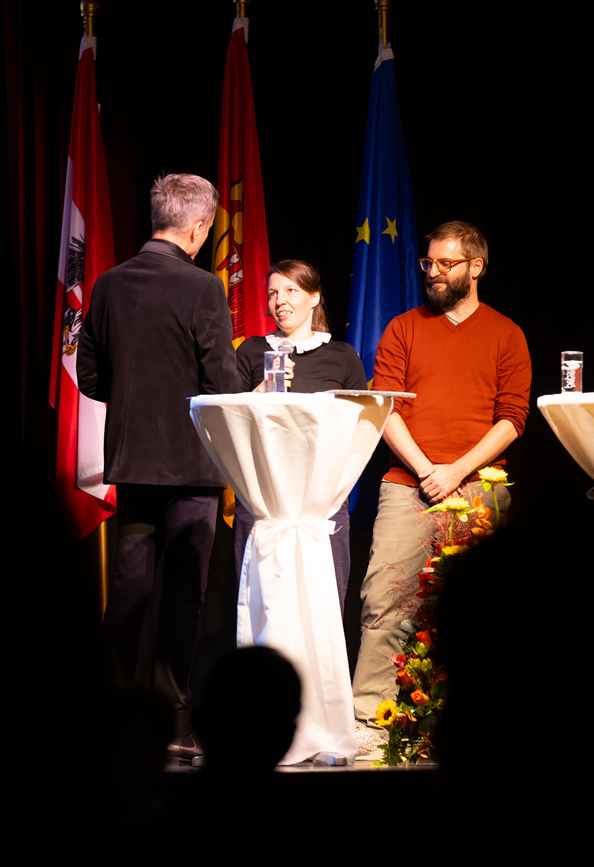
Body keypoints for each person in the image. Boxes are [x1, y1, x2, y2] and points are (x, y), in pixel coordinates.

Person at [352, 220, 532, 752]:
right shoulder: (403, 328)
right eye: (428, 263)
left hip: (479, 486)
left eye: (446, 263)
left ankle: (480, 726)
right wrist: (428, 468)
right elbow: (383, 406)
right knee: (383, 601)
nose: (433, 272)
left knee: (483, 609)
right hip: (407, 484)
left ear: (476, 267)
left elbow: (513, 418)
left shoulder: (506, 333)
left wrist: (456, 471)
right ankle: (368, 723)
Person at [77, 172, 238, 762]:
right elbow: (221, 380)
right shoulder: (203, 288)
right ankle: (173, 721)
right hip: (192, 466)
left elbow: (90, 377)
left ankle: (114, 715)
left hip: (132, 463)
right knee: (181, 596)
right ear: (198, 229)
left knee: (129, 588)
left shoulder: (108, 284)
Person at [234, 259, 367, 611]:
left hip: (322, 499)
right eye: (273, 293)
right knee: (261, 606)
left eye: (291, 290)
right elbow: (228, 420)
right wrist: (259, 393)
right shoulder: (250, 351)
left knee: (321, 606)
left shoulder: (341, 357)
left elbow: (362, 426)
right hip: (262, 497)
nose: (280, 300)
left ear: (314, 297)